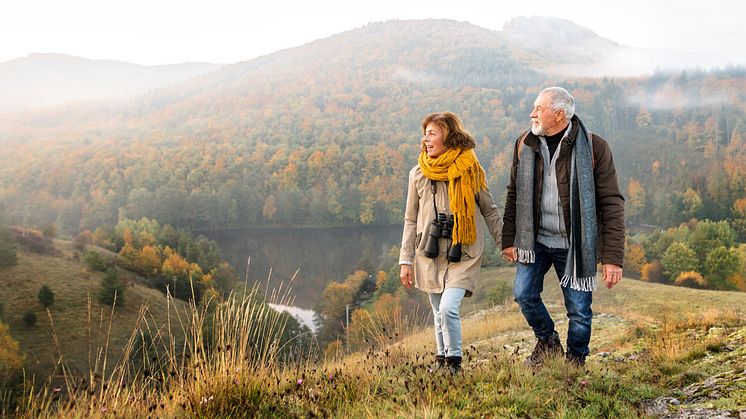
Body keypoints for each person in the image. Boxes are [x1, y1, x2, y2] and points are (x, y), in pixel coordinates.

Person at [501, 87, 625, 368]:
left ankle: (575, 363)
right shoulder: (525, 143)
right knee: (524, 294)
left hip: (575, 244)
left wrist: (612, 258)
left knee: (579, 312)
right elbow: (513, 193)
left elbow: (612, 204)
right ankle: (548, 341)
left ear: (559, 115)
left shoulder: (594, 148)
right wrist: (509, 238)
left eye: (539, 109)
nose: (532, 114)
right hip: (536, 240)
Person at [399, 112, 502, 374]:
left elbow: (489, 210)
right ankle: (442, 360)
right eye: (425, 134)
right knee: (437, 311)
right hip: (429, 252)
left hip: (463, 252)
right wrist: (405, 260)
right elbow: (410, 219)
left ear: (448, 136)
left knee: (447, 308)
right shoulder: (418, 174)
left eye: (432, 133)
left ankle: (454, 364)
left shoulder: (470, 170)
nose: (426, 139)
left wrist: (505, 243)